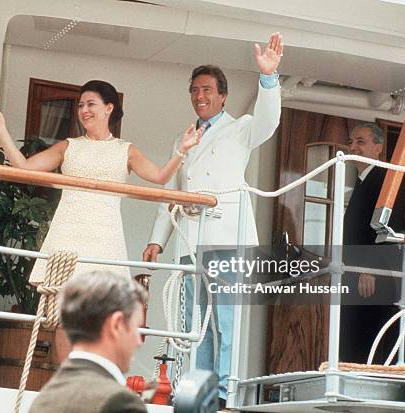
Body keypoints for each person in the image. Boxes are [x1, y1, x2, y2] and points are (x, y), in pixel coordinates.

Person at [142, 33, 284, 405]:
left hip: (227, 237)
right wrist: (158, 239)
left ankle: (225, 392)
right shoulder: (183, 137)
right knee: (195, 326)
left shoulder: (241, 128)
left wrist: (268, 78)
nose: (200, 96)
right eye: (194, 90)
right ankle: (198, 390)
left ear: (223, 95)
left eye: (207, 89)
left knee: (226, 322)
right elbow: (171, 194)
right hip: (190, 239)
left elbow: (269, 122)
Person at [0, 80, 203, 284]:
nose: (83, 110)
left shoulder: (125, 150)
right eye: (80, 106)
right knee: (63, 311)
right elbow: (24, 167)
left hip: (105, 236)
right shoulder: (69, 146)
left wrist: (182, 150)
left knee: (97, 312)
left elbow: (161, 176)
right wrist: (2, 131)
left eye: (90, 104)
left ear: (109, 108)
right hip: (67, 233)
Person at [29, 271, 148, 413]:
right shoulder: (120, 402)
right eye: (136, 327)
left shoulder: (43, 400)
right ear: (116, 324)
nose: (138, 341)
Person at [340, 122, 405, 364]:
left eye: (361, 142)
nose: (353, 147)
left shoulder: (384, 180)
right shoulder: (362, 180)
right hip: (354, 276)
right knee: (353, 336)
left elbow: (389, 228)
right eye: (351, 142)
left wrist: (371, 269)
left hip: (373, 279)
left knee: (369, 335)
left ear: (378, 147)